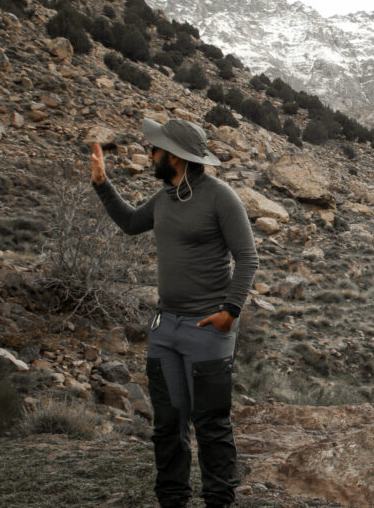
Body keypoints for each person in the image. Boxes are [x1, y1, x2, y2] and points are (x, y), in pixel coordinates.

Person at [91, 118, 258, 508]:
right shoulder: (165, 197)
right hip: (165, 328)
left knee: (212, 425)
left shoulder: (220, 197)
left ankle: (218, 501)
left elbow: (247, 258)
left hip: (208, 328)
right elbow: (132, 222)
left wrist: (230, 312)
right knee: (168, 425)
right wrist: (102, 184)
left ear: (176, 157)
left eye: (156, 149)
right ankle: (172, 501)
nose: (149, 154)